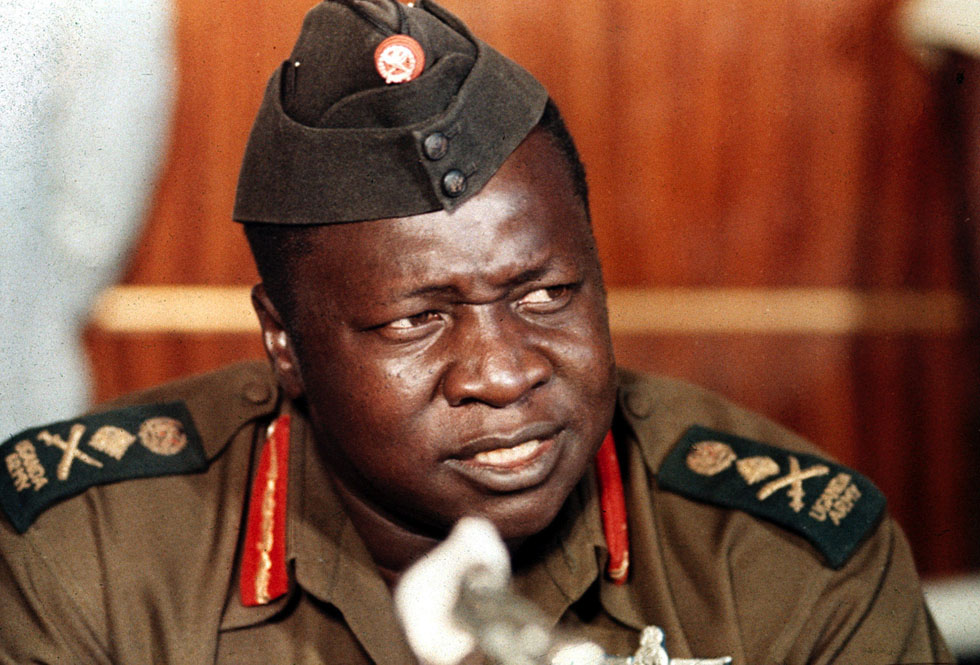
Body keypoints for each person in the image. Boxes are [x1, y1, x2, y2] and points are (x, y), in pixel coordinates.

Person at [0, 1, 952, 663]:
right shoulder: (89, 558)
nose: (502, 373)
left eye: (546, 295)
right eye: (417, 320)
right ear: (284, 342)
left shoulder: (781, 557)